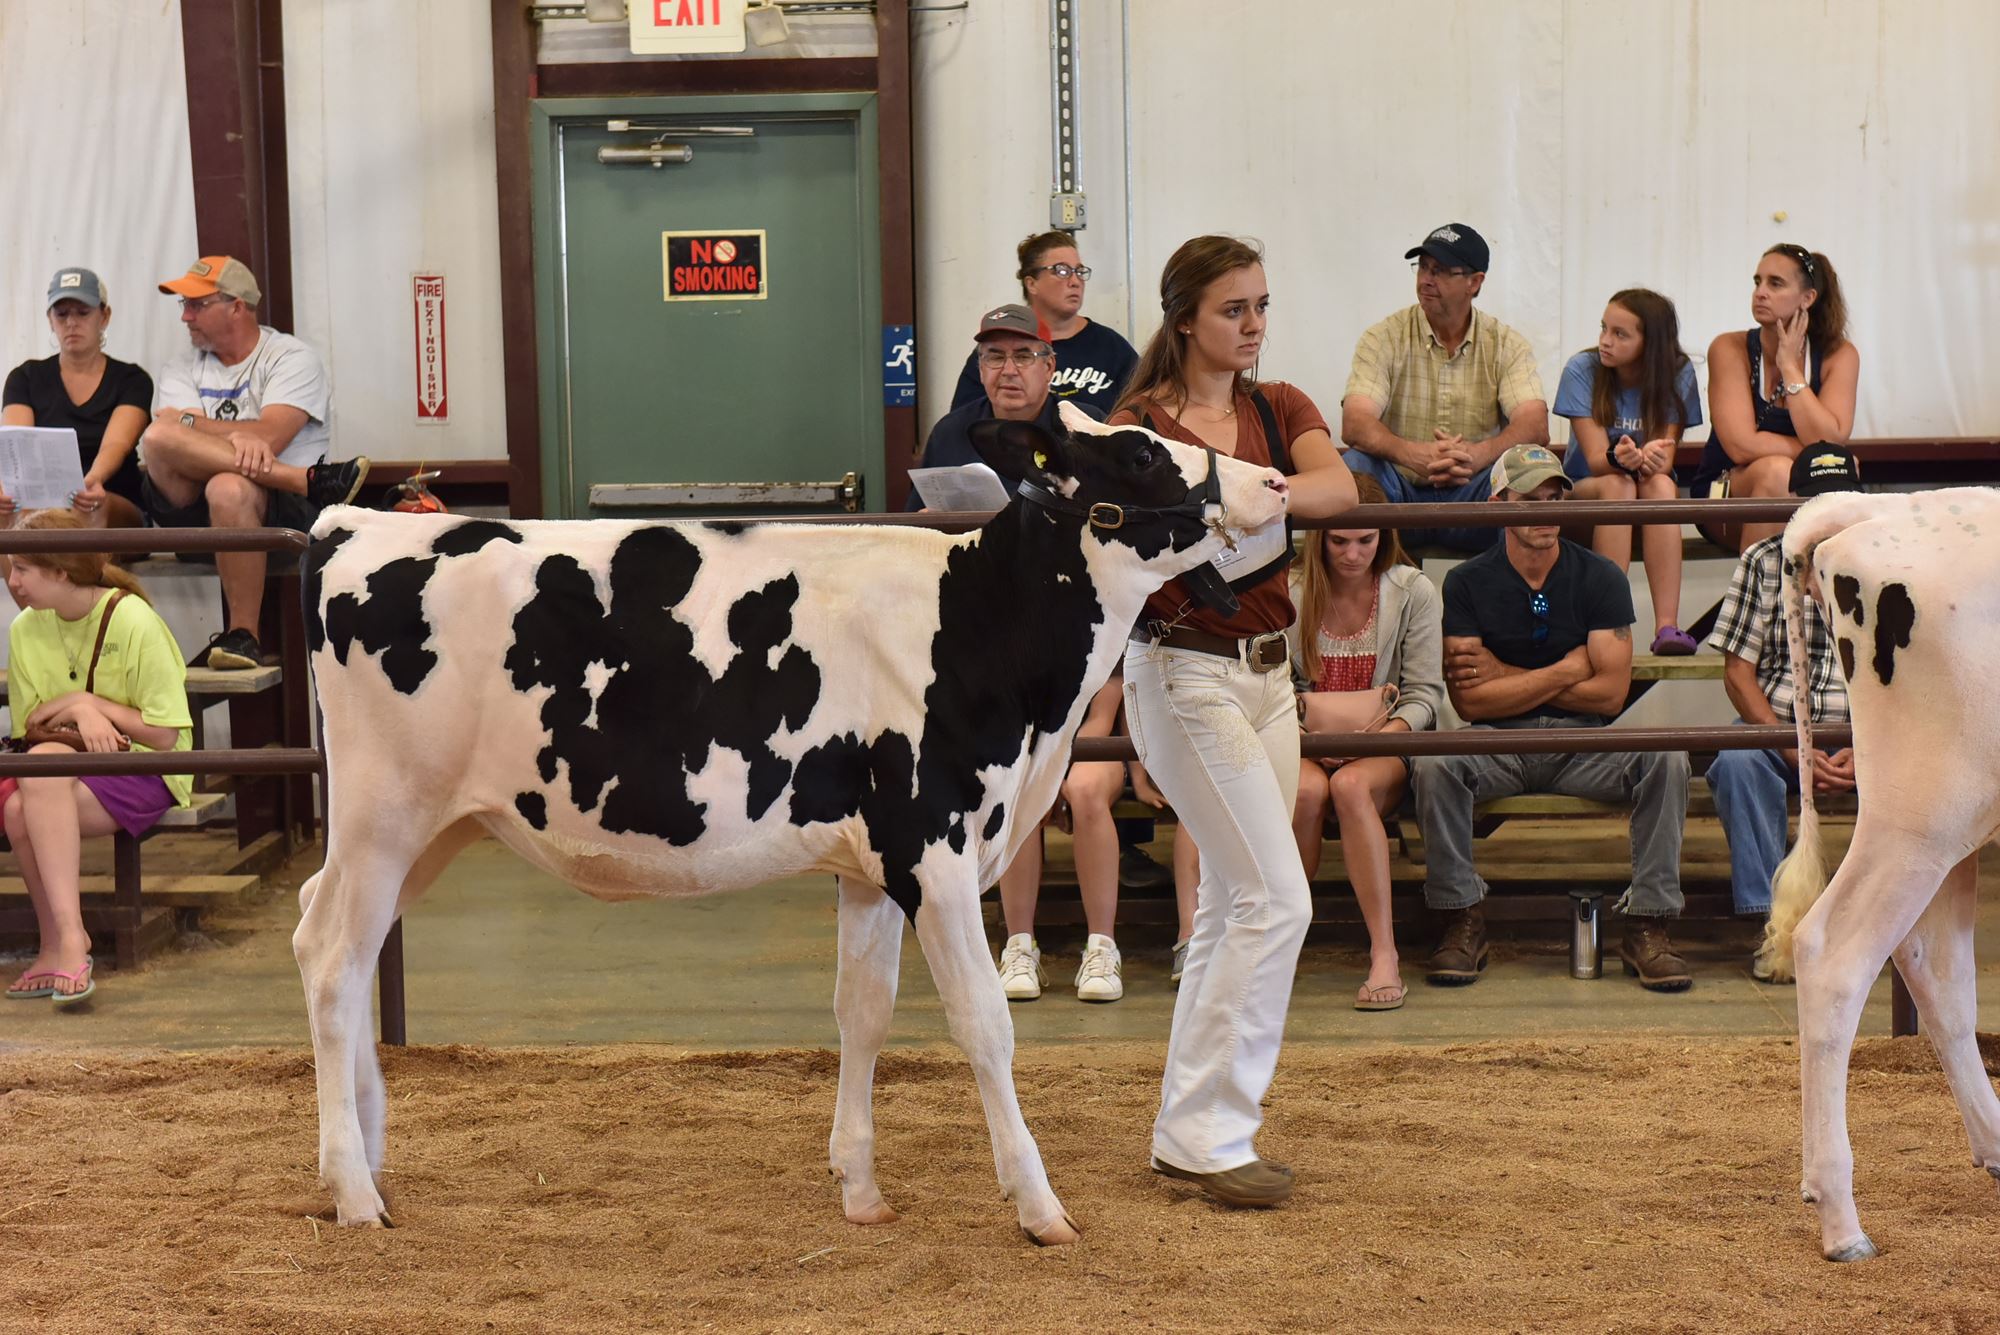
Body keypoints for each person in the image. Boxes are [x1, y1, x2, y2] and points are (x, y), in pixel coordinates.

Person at [1113, 234, 1357, 1208]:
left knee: (1231, 901)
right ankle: (1213, 1133)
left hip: (1266, 672)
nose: (1252, 325)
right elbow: (1133, 536)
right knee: (1276, 900)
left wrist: (1253, 498)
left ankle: (1191, 1126)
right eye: (1232, 310)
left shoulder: (1276, 404)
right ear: (1183, 320)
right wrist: (1236, 509)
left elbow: (1339, 488)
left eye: (1259, 306)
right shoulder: (1136, 424)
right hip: (1180, 671)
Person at [1416, 444, 1693, 992]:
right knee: (1432, 763)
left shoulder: (1599, 576)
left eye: (1554, 497)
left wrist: (1504, 672)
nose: (1545, 512)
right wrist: (1568, 669)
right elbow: (1471, 704)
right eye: (1529, 500)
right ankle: (1461, 915)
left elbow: (1610, 697)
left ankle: (1648, 924)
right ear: (1497, 505)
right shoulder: (1467, 581)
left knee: (1668, 754)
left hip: (1583, 742)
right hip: (1497, 740)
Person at [2, 510, 194, 1006]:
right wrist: (77, 709)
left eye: (21, 567)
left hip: (145, 767)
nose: (11, 579)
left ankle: (67, 939)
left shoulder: (132, 618)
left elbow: (166, 735)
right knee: (22, 800)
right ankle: (57, 941)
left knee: (37, 780)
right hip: (65, 770)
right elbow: (29, 726)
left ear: (61, 572)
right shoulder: (25, 629)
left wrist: (97, 707)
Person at [140, 255, 368, 670]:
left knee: (226, 486)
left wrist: (196, 426)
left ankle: (243, 635)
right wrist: (230, 433)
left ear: (237, 307)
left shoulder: (291, 357)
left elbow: (269, 436)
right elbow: (167, 436)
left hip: (282, 512)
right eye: (183, 305)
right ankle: (307, 479)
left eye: (196, 305)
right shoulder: (181, 365)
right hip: (191, 512)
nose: (185, 317)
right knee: (157, 438)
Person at [1285, 474, 1444, 1012]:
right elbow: (1275, 691)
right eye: (1339, 541)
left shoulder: (1412, 590)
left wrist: (1372, 740)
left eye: (1366, 540)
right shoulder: (1291, 592)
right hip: (1307, 742)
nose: (1353, 554)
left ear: (1385, 537)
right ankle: (1284, 945)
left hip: (1379, 746)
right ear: (1318, 539)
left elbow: (1424, 697)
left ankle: (1384, 952)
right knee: (1306, 793)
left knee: (1351, 787)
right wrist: (1310, 739)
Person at [1705, 446, 1862, 968]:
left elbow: (1914, 681)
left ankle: (1881, 925)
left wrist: (1868, 750)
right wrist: (1789, 745)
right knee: (1738, 760)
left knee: (1923, 771)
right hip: (1778, 728)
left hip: (1871, 734)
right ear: (1797, 505)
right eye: (1818, 501)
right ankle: (1771, 924)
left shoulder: (1889, 565)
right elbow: (1737, 672)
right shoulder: (1762, 559)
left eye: (1840, 499)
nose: (1830, 512)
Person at [1340, 223, 1549, 550]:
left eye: (1440, 271)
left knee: (1526, 470)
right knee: (1356, 466)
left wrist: (1479, 455)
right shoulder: (1384, 337)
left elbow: (1535, 425)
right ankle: (1362, 596)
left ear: (1474, 282)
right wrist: (1412, 453)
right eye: (1422, 267)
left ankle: (1507, 596)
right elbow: (1355, 423)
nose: (1425, 279)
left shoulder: (1506, 344)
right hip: (1399, 494)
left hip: (1475, 495)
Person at [1553, 289, 1705, 655]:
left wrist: (1650, 458)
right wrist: (1621, 457)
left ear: (1650, 343)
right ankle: (1611, 622)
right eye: (1604, 328)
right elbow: (1593, 458)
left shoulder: (1677, 373)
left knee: (1662, 486)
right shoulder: (1581, 369)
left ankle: (1667, 626)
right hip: (1583, 493)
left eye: (1620, 334)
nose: (1605, 341)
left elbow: (1665, 458)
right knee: (1619, 483)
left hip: (1641, 493)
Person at [1694, 244, 1859, 552]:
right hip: (1724, 492)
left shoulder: (1839, 355)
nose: (1760, 292)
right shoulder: (1729, 348)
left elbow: (1828, 438)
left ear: (1807, 298)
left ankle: (1792, 597)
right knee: (1777, 471)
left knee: (1824, 479)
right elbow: (1741, 446)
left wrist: (1789, 368)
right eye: (1758, 282)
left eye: (1775, 283)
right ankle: (1763, 597)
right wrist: (1818, 456)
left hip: (1802, 493)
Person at [2, 268, 153, 531]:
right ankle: (20, 574)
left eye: (83, 312)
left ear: (104, 316)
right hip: (44, 502)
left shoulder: (132, 380)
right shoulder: (25, 377)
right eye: (62, 314)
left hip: (113, 499)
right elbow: (18, 445)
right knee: (11, 510)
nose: (71, 322)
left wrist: (93, 480)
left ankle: (78, 572)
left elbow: (116, 445)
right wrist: (7, 487)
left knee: (92, 506)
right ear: (50, 319)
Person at [908, 303, 1100, 505]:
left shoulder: (1088, 428)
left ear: (1049, 367)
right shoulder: (950, 433)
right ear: (981, 369)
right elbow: (917, 519)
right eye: (996, 357)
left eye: (1023, 357)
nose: (1009, 370)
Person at [949, 231, 1138, 416]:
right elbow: (963, 424)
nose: (1075, 281)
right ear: (1031, 284)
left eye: (1079, 271)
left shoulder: (1112, 347)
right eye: (1062, 271)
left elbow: (1143, 414)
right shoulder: (997, 350)